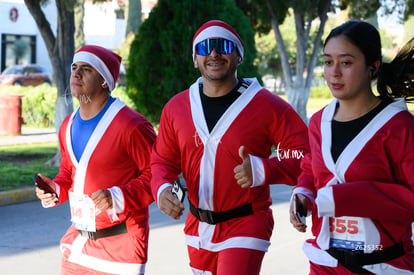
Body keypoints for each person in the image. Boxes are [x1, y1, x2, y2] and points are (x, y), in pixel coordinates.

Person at [150, 19, 310, 275]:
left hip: (246, 222)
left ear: (239, 56)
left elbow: (304, 154)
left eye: (223, 46)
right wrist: (162, 190)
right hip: (197, 225)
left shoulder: (267, 105)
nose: (214, 53)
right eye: (205, 48)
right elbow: (162, 161)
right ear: (195, 59)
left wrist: (263, 169)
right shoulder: (176, 107)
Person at [289, 19, 414, 274]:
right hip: (326, 263)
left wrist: (341, 198)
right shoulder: (318, 122)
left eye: (346, 63)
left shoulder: (399, 126)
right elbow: (311, 170)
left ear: (372, 67)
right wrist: (303, 194)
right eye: (327, 62)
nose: (334, 72)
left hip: (383, 264)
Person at [35, 45, 156, 274]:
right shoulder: (67, 126)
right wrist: (54, 188)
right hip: (79, 243)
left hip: (121, 248)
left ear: (104, 81)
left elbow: (158, 175)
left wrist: (117, 196)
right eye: (74, 67)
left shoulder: (131, 125)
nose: (76, 73)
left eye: (86, 69)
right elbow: (69, 174)